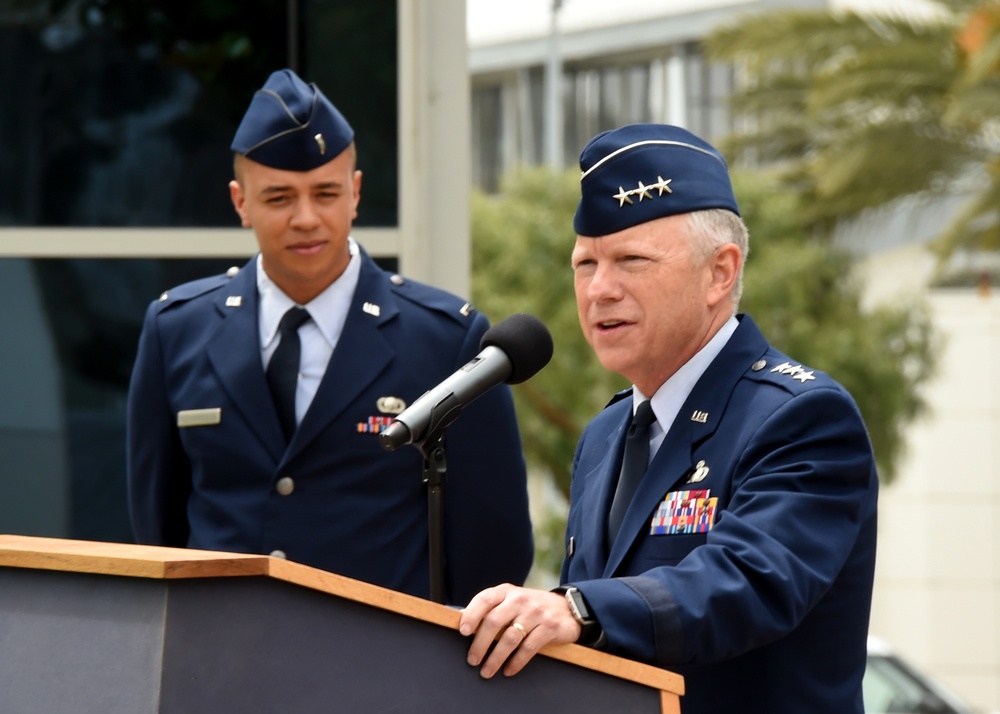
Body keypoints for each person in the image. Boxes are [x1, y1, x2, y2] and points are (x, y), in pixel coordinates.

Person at [459, 123, 878, 713]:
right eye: (585, 264)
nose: (599, 289)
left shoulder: (802, 418)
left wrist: (576, 609)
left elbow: (746, 582)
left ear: (720, 273)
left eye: (631, 260)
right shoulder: (606, 435)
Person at [126, 68, 533, 606]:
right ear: (240, 202)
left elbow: (493, 551)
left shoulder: (445, 341)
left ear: (356, 193)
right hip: (221, 663)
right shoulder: (175, 330)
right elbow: (158, 530)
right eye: (278, 198)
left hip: (378, 670)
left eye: (325, 192)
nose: (306, 218)